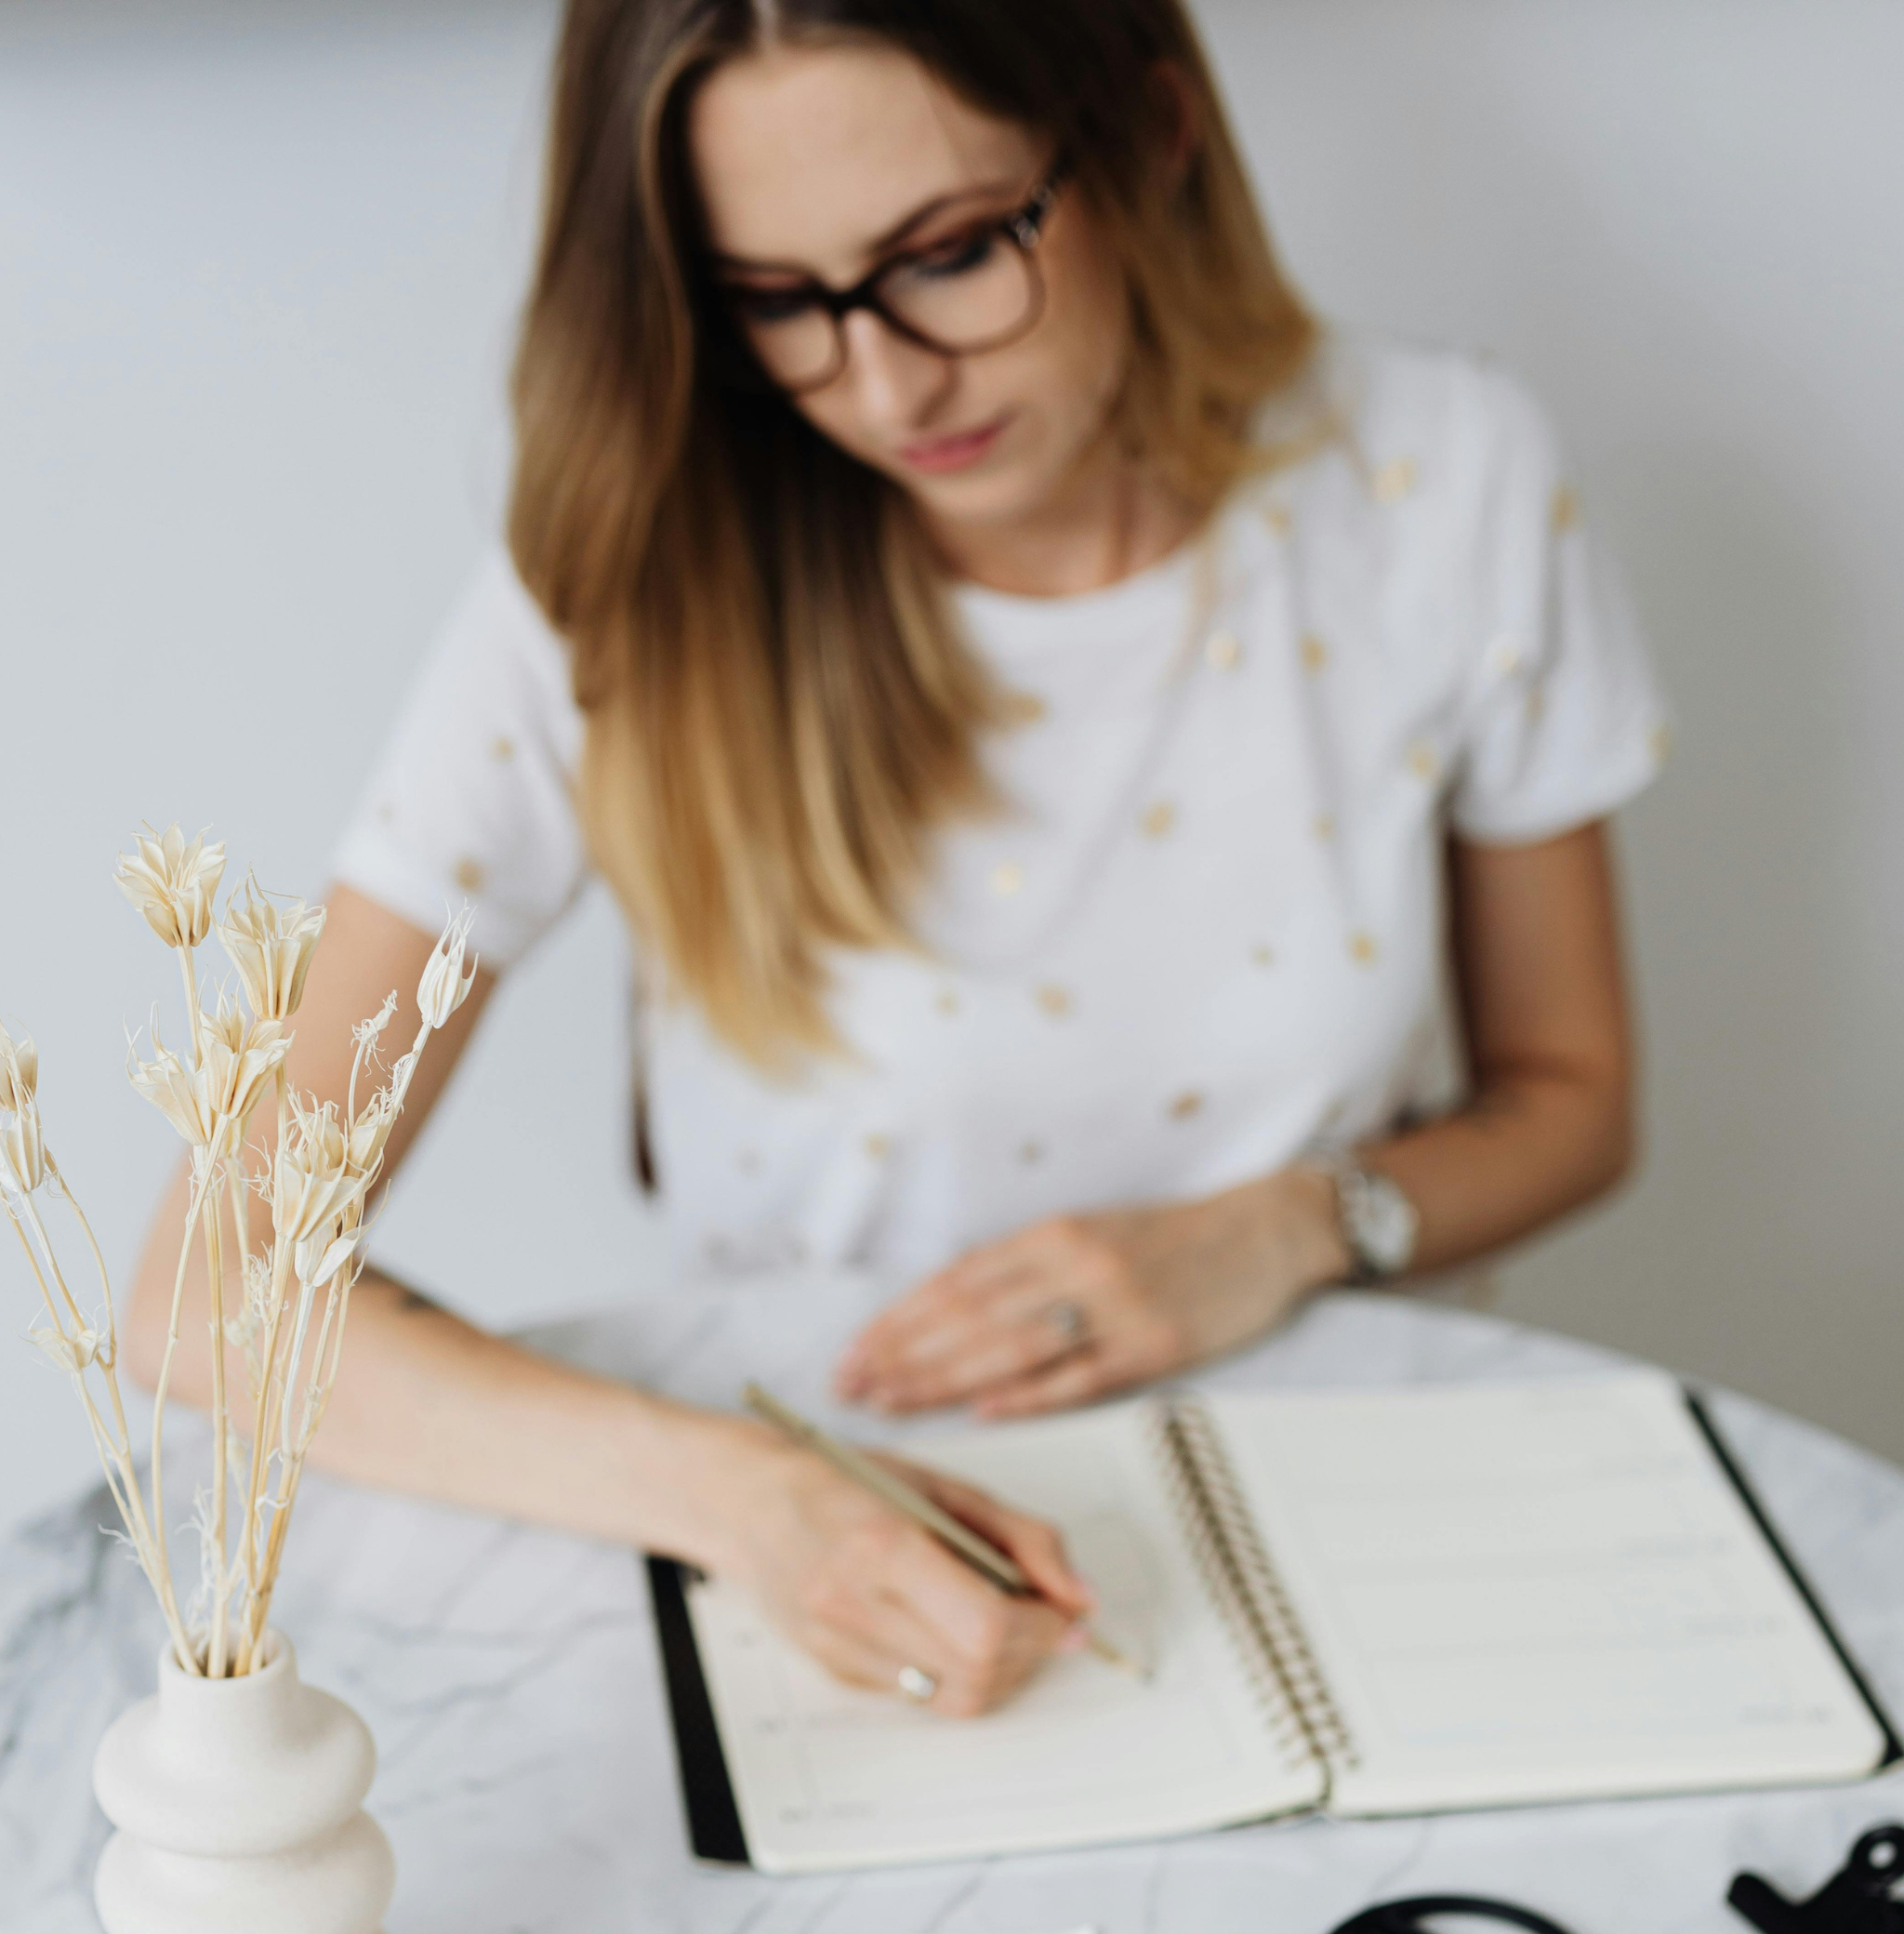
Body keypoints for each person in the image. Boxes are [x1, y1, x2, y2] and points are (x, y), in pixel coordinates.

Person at [127, 0, 1667, 1717]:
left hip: (1338, 1504)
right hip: (835, 1553)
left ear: (1154, 135)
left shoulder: (1441, 479)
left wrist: (1290, 1226)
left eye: (947, 256)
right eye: (775, 302)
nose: (885, 382)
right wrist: (750, 1502)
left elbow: (1574, 1097)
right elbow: (205, 1292)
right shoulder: (634, 582)